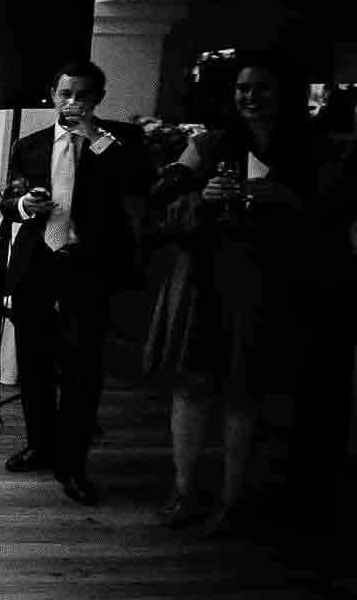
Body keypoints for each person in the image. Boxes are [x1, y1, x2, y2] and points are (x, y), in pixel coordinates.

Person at [146, 59, 357, 536]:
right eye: (243, 88)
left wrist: (280, 199)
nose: (250, 97)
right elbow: (165, 193)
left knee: (246, 389)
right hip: (207, 277)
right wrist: (202, 195)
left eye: (262, 88)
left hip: (268, 282)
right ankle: (183, 490)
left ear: (284, 94)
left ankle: (232, 498)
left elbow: (333, 214)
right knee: (193, 383)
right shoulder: (210, 143)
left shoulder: (311, 151)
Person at [0, 63, 153, 506]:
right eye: (65, 93)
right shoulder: (29, 145)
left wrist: (94, 137)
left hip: (89, 267)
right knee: (34, 359)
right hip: (38, 263)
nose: (72, 102)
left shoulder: (116, 143)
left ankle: (74, 464)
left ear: (96, 98)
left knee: (83, 368)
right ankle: (40, 444)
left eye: (81, 95)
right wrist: (26, 204)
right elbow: (9, 201)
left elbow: (139, 181)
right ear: (52, 93)